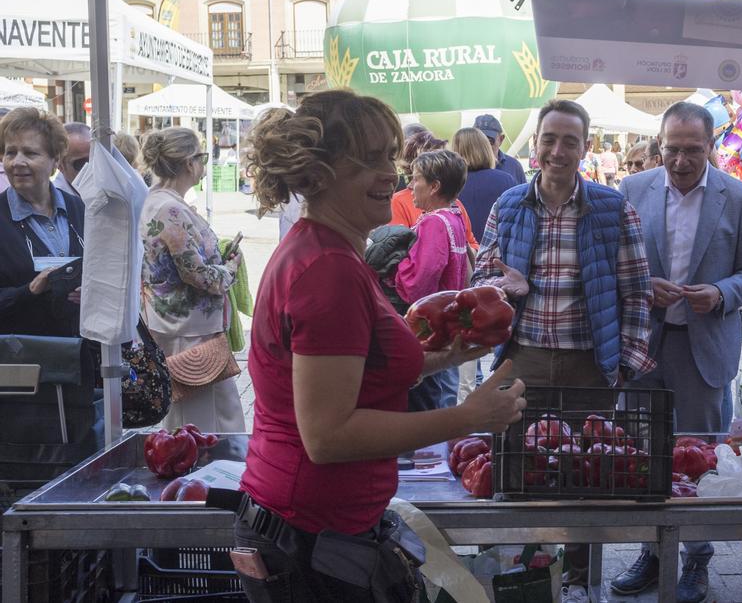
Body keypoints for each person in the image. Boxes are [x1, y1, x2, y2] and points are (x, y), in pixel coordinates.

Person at [235, 90, 524, 601]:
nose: (391, 174)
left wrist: (443, 358)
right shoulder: (329, 269)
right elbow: (327, 436)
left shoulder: (326, 252)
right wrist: (468, 417)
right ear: (319, 173)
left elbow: (355, 377)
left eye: (391, 156)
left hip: (307, 527)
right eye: (370, 161)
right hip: (311, 536)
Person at [471, 99, 654, 600]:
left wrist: (625, 365)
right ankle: (520, 569)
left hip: (588, 364)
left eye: (569, 141)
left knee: (587, 476)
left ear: (584, 147)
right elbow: (479, 279)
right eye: (549, 139)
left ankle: (578, 577)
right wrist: (504, 285)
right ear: (536, 145)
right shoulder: (508, 205)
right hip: (522, 358)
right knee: (517, 471)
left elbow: (637, 291)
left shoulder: (612, 208)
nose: (557, 150)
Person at [616, 102, 742, 602]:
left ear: (712, 145)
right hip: (644, 346)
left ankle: (697, 560)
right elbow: (619, 263)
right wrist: (641, 284)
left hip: (703, 347)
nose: (681, 160)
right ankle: (651, 553)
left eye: (692, 150)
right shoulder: (633, 190)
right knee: (642, 454)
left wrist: (721, 294)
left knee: (699, 457)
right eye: (672, 149)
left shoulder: (741, 198)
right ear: (659, 146)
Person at [139, 127, 245, 432]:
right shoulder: (170, 208)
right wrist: (231, 269)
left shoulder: (157, 200)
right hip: (189, 333)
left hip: (177, 327)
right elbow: (198, 275)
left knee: (196, 419)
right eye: (202, 157)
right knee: (205, 424)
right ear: (189, 163)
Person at [393, 150, 472, 412]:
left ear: (435, 186)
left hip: (427, 328)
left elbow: (419, 283)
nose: (410, 186)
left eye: (416, 179)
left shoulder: (434, 224)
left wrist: (395, 264)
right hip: (445, 326)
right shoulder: (454, 217)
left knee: (424, 397)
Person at [0, 108, 85, 339]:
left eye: (30, 153)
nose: (17, 162)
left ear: (55, 159)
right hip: (21, 360)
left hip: (82, 354)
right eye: (10, 153)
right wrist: (28, 291)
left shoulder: (79, 209)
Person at [389, 130, 479, 251]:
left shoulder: (453, 204)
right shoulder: (398, 202)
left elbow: (472, 244)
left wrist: (457, 253)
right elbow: (397, 251)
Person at [451, 127, 518, 233]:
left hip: (461, 248)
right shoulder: (506, 180)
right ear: (486, 149)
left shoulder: (448, 184)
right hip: (497, 246)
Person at [473, 114, 526, 186]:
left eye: (489, 140)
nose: (484, 145)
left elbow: (524, 195)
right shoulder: (464, 167)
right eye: (479, 140)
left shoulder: (514, 166)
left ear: (501, 139)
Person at [54, 122, 91, 197]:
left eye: (95, 160)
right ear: (60, 165)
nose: (91, 169)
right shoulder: (56, 202)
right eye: (81, 164)